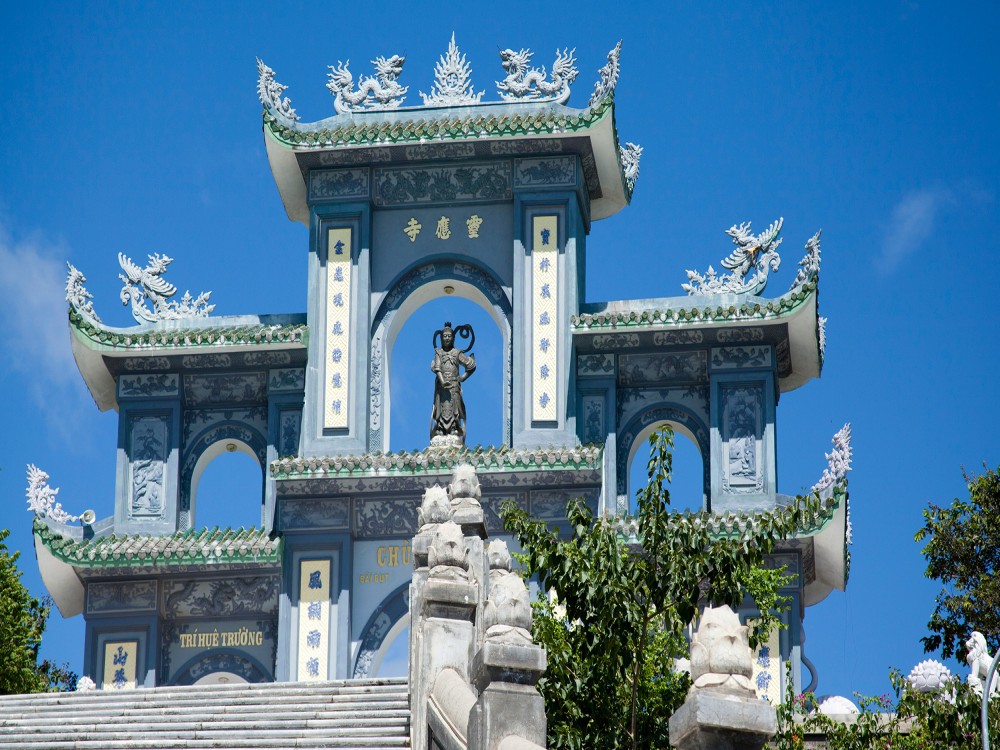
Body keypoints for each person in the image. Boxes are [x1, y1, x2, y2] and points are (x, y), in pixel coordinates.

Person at [430, 322, 476, 442]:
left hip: (454, 386)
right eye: (444, 336)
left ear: (453, 338)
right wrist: (442, 381)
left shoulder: (457, 353)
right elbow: (437, 368)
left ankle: (454, 428)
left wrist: (463, 377)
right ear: (441, 338)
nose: (447, 338)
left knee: (455, 407)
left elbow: (471, 365)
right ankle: (440, 428)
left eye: (449, 336)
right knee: (441, 408)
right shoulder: (439, 353)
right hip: (441, 387)